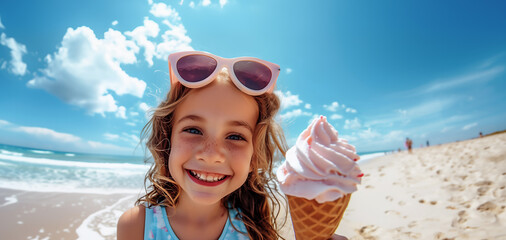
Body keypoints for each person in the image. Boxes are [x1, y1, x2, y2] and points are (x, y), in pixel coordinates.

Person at [117, 51, 349, 240]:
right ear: (166, 142)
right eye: (193, 130)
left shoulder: (253, 224)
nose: (212, 154)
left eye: (236, 136)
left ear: (254, 157)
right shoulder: (136, 226)